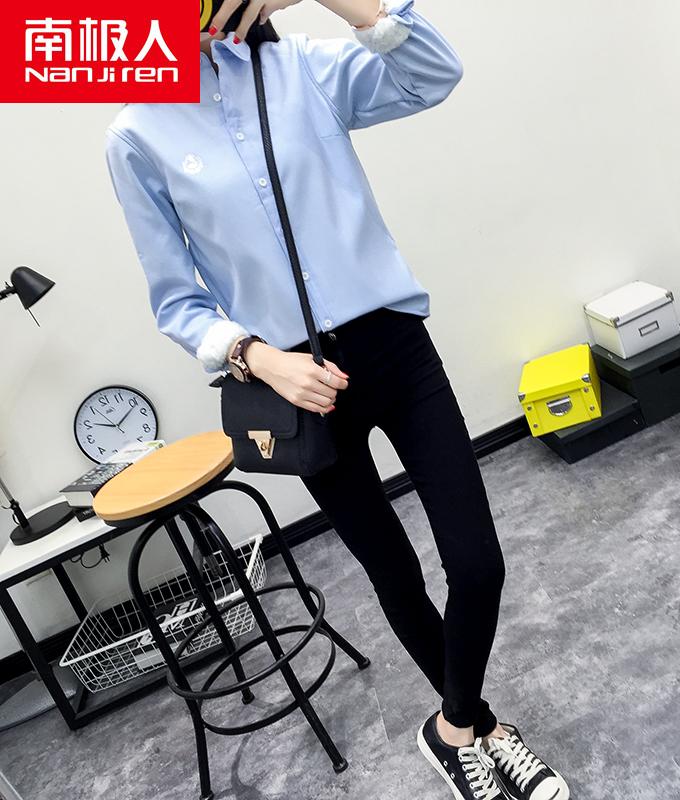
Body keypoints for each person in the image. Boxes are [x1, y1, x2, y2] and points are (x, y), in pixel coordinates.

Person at [104, 1, 570, 798]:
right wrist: (260, 360)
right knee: (394, 571)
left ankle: (453, 729)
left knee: (476, 562)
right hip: (295, 387)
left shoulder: (301, 69)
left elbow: (431, 73)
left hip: (395, 347)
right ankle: (481, 730)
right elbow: (177, 302)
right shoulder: (136, 134)